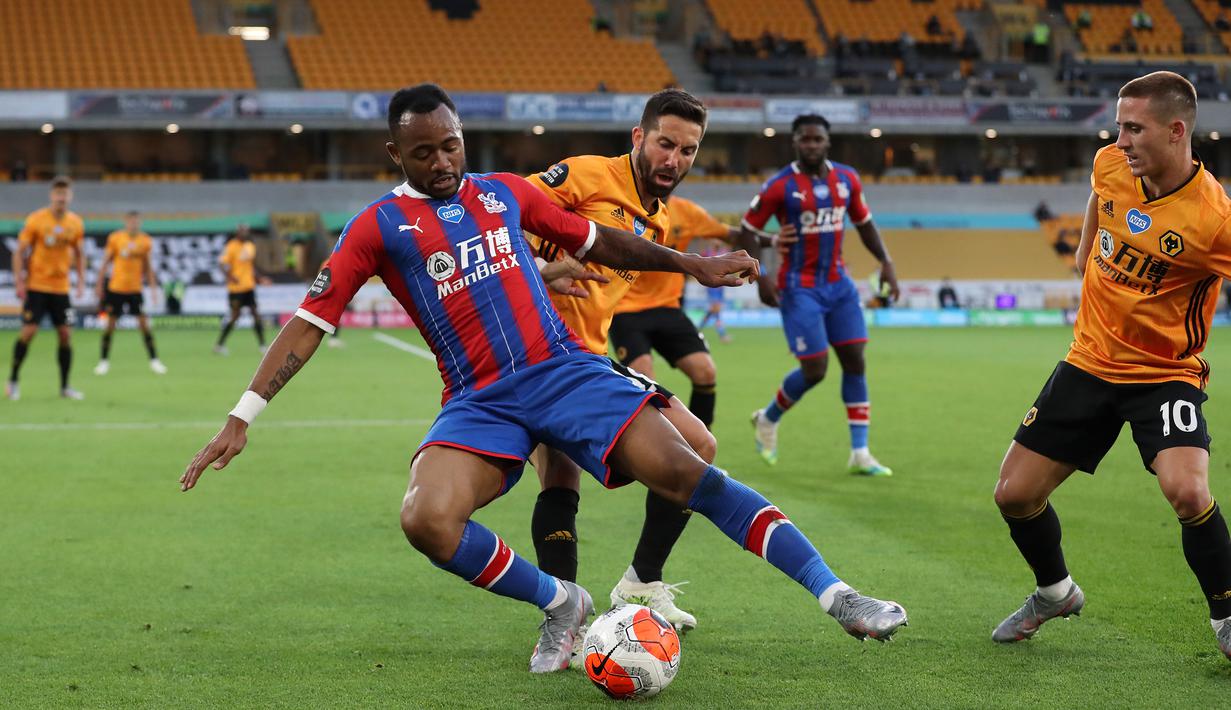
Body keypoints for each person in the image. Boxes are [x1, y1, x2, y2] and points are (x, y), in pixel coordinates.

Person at [179, 84, 909, 676]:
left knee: (690, 469)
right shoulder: (376, 228)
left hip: (563, 371)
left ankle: (836, 595)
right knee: (425, 521)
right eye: (423, 151)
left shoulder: (502, 193)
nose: (441, 161)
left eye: (451, 144)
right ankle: (561, 600)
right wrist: (243, 415)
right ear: (395, 151)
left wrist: (692, 263)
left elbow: (602, 239)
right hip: (476, 399)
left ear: (464, 137)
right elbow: (310, 320)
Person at [990, 72, 1231, 660]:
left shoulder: (1213, 219)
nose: (1119, 139)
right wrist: (1084, 247)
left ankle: (1227, 616)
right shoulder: (1110, 164)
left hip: (1163, 373)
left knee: (1186, 488)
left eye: (1133, 128)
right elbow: (1102, 194)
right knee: (1013, 495)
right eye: (1118, 126)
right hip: (1090, 361)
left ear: (1177, 132)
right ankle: (1055, 592)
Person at [527, 91, 723, 639]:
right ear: (638, 137)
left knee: (699, 445)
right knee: (560, 473)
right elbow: (498, 211)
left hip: (589, 357)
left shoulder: (657, 221)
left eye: (688, 151)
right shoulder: (586, 174)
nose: (674, 160)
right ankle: (561, 621)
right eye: (665, 144)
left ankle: (640, 582)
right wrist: (541, 267)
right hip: (533, 354)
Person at [740, 114, 899, 475]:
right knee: (815, 370)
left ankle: (860, 453)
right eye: (804, 139)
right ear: (795, 143)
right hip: (799, 287)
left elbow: (865, 224)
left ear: (828, 142)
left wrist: (886, 262)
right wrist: (760, 273)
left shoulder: (847, 178)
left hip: (839, 284)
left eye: (817, 139)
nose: (811, 144)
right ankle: (768, 418)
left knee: (855, 361)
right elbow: (747, 231)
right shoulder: (779, 185)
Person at [6, 176, 85, 401]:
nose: (61, 197)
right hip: (37, 287)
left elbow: (79, 254)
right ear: (52, 196)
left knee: (66, 335)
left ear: (70, 197)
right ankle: (13, 380)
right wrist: (20, 282)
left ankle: (65, 386)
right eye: (58, 193)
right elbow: (19, 252)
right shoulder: (36, 220)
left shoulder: (76, 223)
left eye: (65, 193)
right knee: (29, 332)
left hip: (61, 289)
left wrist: (80, 281)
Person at [94, 211, 167, 375]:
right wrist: (99, 285)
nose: (134, 224)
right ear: (126, 222)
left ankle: (154, 361)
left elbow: (148, 267)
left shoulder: (145, 241)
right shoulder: (116, 238)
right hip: (116, 289)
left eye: (136, 221)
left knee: (144, 326)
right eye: (131, 221)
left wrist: (154, 289)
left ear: (140, 222)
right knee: (110, 326)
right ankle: (103, 362)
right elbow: (106, 262)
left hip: (135, 290)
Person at [214, 223, 267, 355]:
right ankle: (219, 345)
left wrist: (260, 278)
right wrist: (230, 276)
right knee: (234, 316)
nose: (245, 233)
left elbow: (251, 266)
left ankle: (263, 345)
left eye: (247, 231)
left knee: (255, 314)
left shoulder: (250, 246)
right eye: (243, 231)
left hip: (249, 286)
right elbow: (221, 264)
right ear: (238, 232)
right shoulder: (231, 246)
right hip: (236, 289)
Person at [696, 240, 733, 343]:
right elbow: (700, 262)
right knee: (716, 312)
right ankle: (722, 335)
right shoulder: (707, 253)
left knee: (711, 312)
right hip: (712, 287)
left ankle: (697, 330)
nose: (717, 243)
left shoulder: (723, 252)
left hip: (720, 288)